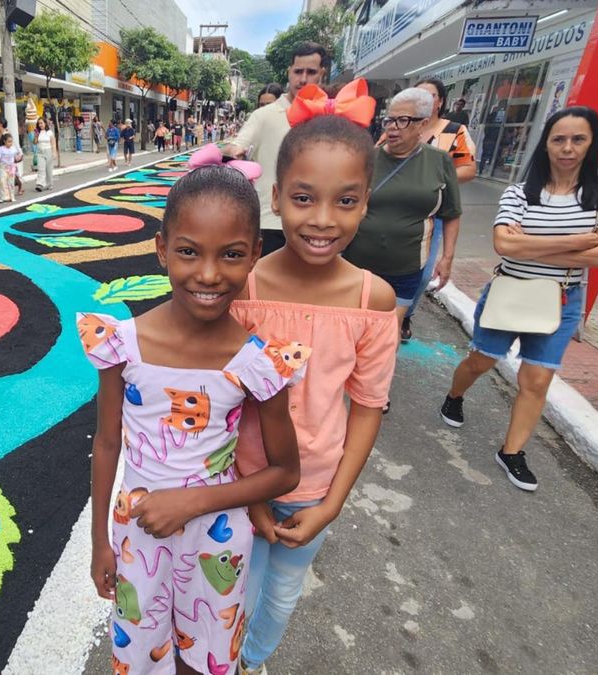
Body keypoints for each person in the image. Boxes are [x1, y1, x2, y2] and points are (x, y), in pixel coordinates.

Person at [85, 163, 303, 675]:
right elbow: (107, 444)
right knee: (140, 656)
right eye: (188, 251)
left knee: (204, 658)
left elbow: (285, 473)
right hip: (138, 535)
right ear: (162, 249)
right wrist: (100, 543)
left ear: (255, 254)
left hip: (217, 538)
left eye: (231, 254)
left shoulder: (258, 361)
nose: (208, 274)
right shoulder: (121, 344)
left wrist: (192, 501)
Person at [229, 114, 398, 675]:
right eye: (304, 198)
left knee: (281, 597)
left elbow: (368, 406)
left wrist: (332, 504)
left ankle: (252, 661)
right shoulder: (244, 286)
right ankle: (226, 661)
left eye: (345, 201)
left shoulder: (372, 300)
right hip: (241, 482)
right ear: (276, 198)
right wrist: (247, 491)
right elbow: (222, 401)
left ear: (365, 203)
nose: (323, 219)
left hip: (316, 487)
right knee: (234, 591)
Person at [441, 106, 598, 491]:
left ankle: (511, 451)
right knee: (480, 361)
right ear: (546, 144)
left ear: (592, 144)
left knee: (537, 379)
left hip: (561, 298)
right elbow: (505, 246)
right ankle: (455, 395)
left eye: (578, 139)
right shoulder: (519, 194)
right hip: (510, 291)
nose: (568, 148)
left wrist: (532, 245)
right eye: (559, 140)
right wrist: (578, 242)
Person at [343, 87, 461, 394]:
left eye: (403, 121)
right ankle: (342, 382)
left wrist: (447, 257)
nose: (393, 128)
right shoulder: (366, 160)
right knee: (352, 327)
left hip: (406, 265)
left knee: (389, 331)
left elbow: (451, 213)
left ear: (423, 123)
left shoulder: (439, 162)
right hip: (357, 264)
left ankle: (376, 391)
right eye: (390, 120)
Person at [225, 41, 330, 254]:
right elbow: (235, 146)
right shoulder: (264, 115)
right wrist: (233, 153)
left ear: (322, 74)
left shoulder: (329, 116)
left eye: (311, 72)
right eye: (298, 71)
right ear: (289, 72)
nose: (303, 79)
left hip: (316, 226)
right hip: (271, 223)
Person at [399, 78, 479, 342]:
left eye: (431, 95)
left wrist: (436, 179)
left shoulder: (453, 131)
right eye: (418, 94)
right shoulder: (399, 126)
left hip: (432, 212)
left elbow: (469, 168)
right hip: (398, 209)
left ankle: (406, 314)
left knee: (423, 273)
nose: (424, 100)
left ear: (441, 101)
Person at [0, 133, 21, 204]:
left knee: (11, 182)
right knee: (2, 181)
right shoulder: (1, 149)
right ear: (4, 141)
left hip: (11, 167)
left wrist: (18, 158)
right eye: (9, 142)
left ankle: (12, 196)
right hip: (3, 167)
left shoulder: (13, 148)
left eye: (11, 141)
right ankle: (3, 197)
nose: (10, 143)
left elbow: (16, 157)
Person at [32, 118, 57, 192]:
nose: (40, 125)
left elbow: (53, 143)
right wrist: (36, 136)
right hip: (40, 152)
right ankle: (40, 184)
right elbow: (34, 142)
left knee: (48, 169)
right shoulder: (38, 132)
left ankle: (49, 184)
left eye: (41, 123)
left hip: (48, 151)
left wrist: (54, 152)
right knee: (41, 168)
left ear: (45, 123)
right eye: (39, 123)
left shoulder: (49, 132)